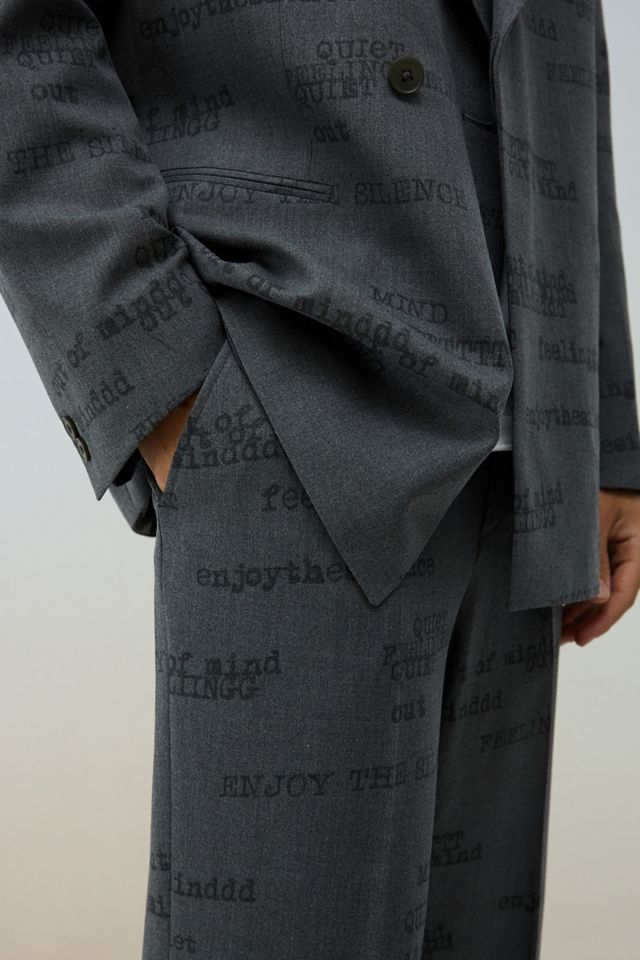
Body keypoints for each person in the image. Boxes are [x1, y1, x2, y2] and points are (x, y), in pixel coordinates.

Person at [1, 1, 639, 958]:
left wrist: (605, 424)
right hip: (296, 408)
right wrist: (169, 384)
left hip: (530, 458)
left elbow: (562, 35)